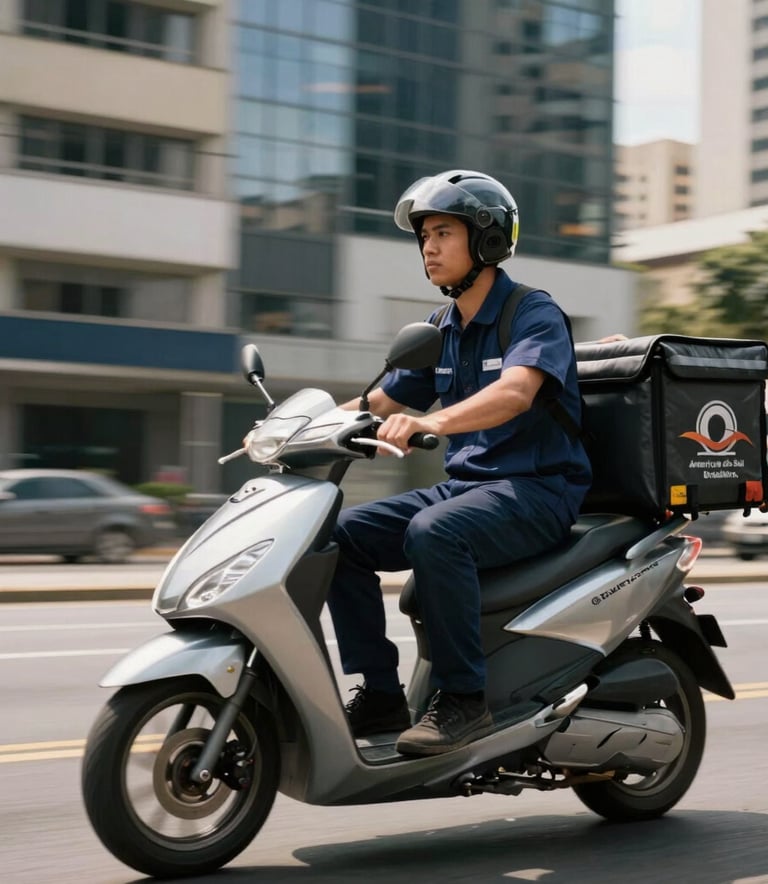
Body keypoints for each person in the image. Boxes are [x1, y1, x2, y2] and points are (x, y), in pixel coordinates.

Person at [327, 169, 592, 757]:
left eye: (443, 232)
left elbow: (516, 392)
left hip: (537, 490)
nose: (428, 247)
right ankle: (379, 691)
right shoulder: (443, 327)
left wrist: (432, 422)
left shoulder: (531, 312)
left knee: (434, 534)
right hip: (473, 488)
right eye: (423, 237)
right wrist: (302, 427)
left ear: (489, 239)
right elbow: (382, 400)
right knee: (339, 536)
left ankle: (463, 701)